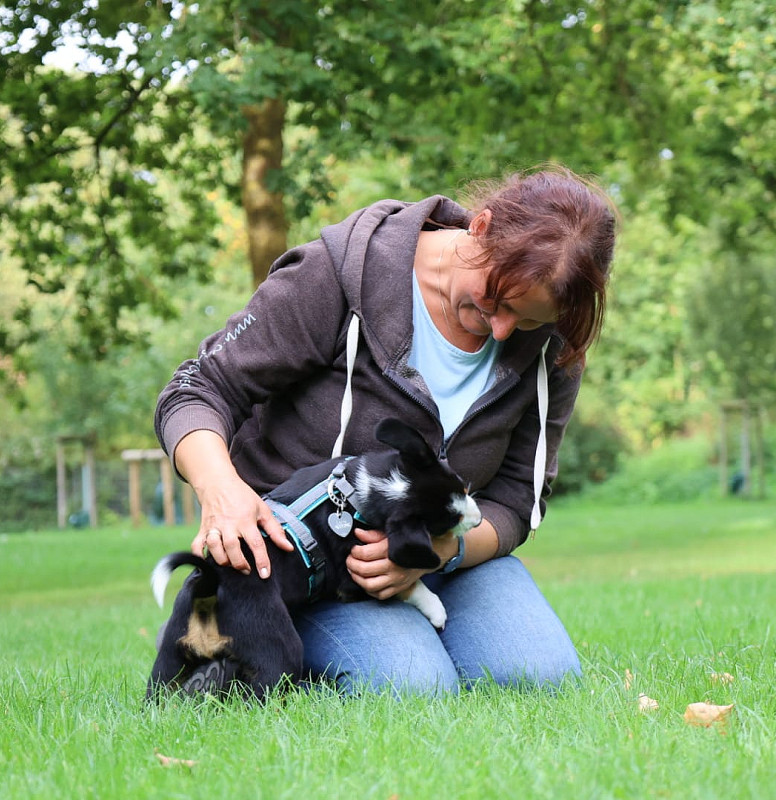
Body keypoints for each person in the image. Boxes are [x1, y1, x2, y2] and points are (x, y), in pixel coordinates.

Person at [154, 164, 617, 695]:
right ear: (482, 228)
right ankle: (261, 646)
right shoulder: (338, 273)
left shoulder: (556, 342)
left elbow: (517, 498)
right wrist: (222, 491)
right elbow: (197, 387)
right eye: (496, 300)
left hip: (447, 553)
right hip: (308, 560)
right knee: (412, 686)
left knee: (538, 676)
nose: (502, 330)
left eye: (529, 321)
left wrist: (444, 552)